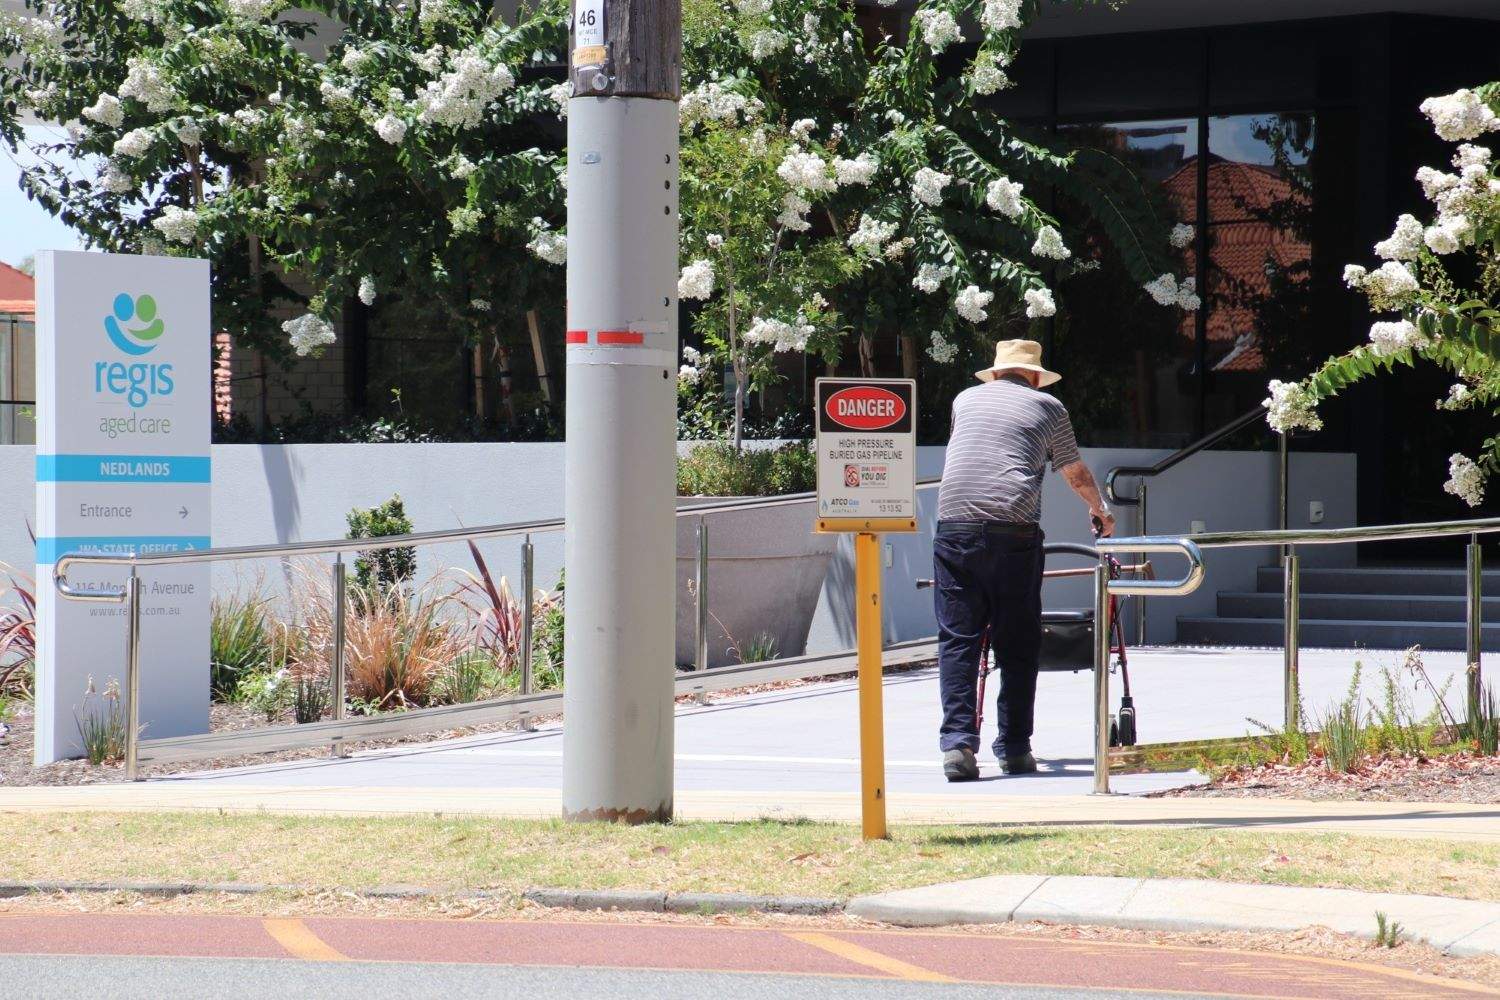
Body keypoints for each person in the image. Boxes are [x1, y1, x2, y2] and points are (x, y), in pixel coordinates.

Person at [933, 339, 1114, 782]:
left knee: (958, 638)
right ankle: (1014, 748)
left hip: (954, 525)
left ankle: (958, 745)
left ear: (995, 373)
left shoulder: (964, 400)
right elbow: (1074, 472)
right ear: (1035, 376)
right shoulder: (1049, 407)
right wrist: (1100, 511)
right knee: (1017, 640)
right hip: (1013, 531)